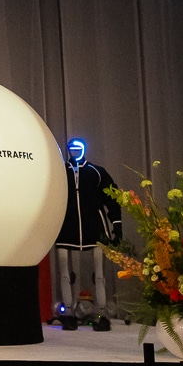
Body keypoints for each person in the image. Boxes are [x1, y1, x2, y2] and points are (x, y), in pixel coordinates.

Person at [54, 138, 121, 323]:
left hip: (95, 227)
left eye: (78, 148)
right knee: (65, 272)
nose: (75, 151)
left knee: (99, 273)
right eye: (72, 148)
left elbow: (113, 199)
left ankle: (102, 314)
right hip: (66, 227)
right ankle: (68, 313)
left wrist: (117, 226)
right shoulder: (59, 172)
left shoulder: (97, 172)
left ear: (84, 149)